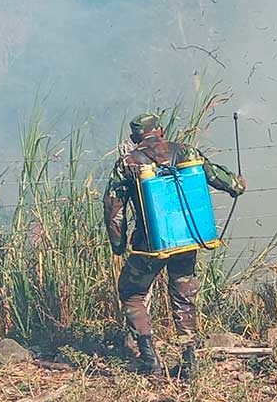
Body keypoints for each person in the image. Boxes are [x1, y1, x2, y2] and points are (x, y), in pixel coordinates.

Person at [103, 113, 246, 377]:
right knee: (183, 294)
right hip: (187, 239)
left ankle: (150, 360)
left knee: (131, 292)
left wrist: (118, 244)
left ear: (135, 138)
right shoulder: (186, 151)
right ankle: (189, 361)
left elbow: (114, 206)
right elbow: (220, 178)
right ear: (161, 131)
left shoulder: (128, 162)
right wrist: (237, 184)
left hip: (151, 245)